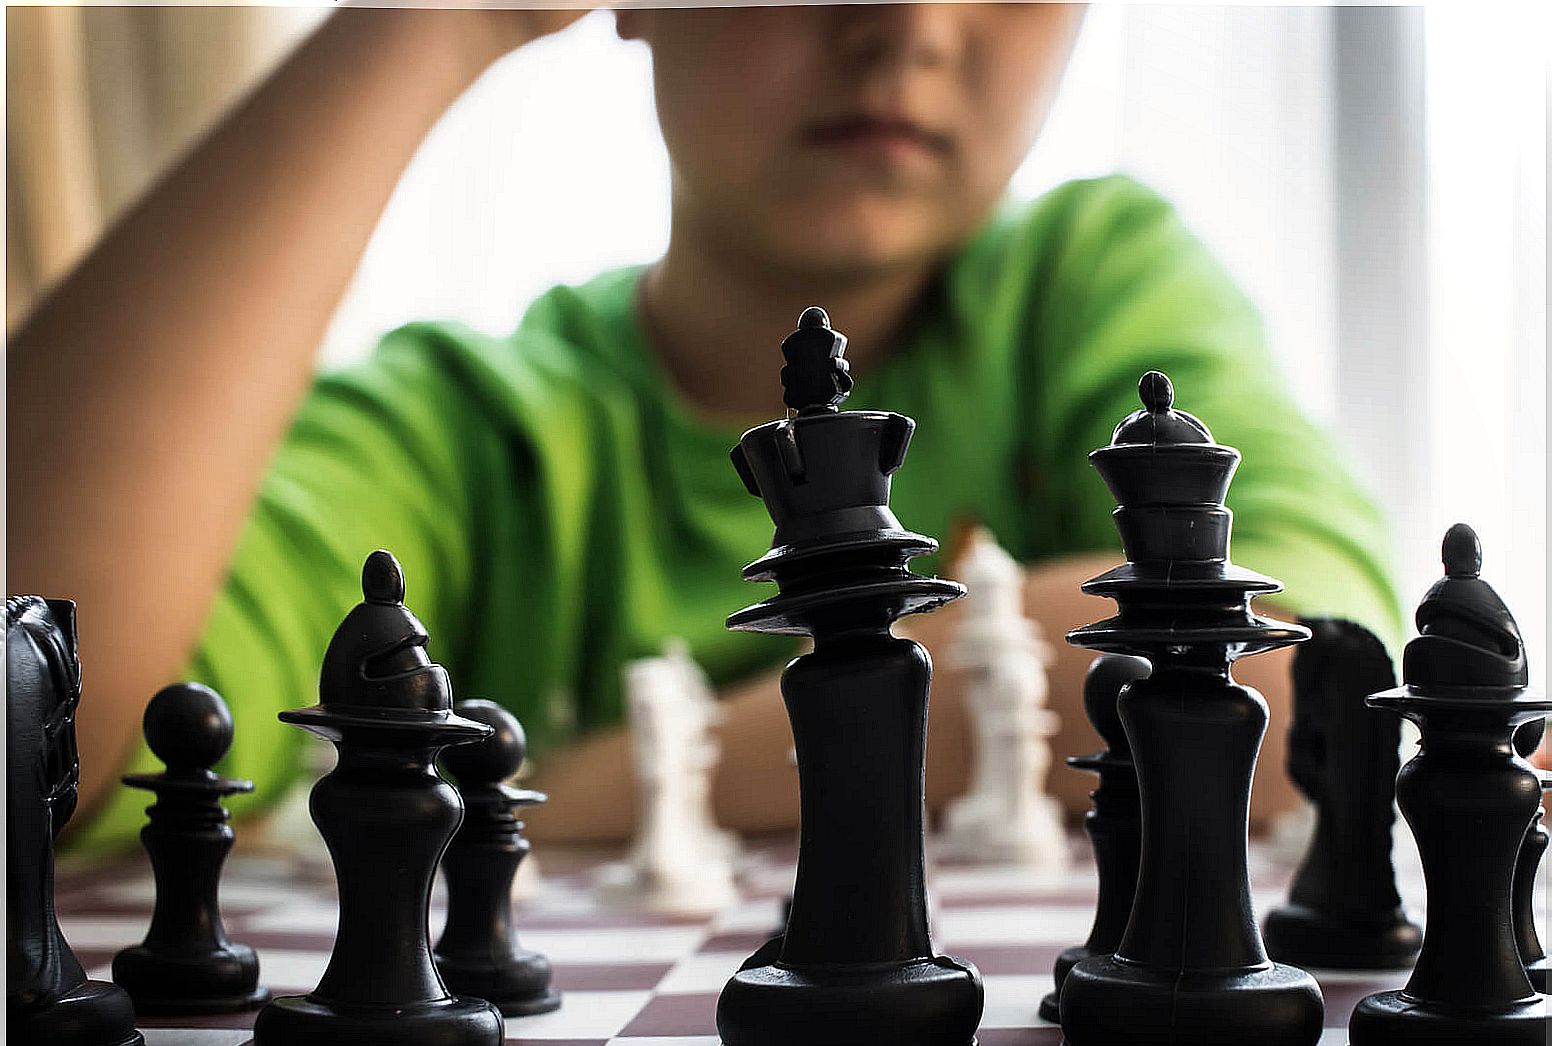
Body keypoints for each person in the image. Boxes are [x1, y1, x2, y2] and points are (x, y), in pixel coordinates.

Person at [7, 4, 1401, 851]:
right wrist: (440, 16)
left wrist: (589, 784)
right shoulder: (464, 434)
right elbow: (37, 732)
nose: (910, 18)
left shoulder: (1090, 282)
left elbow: (1317, 674)